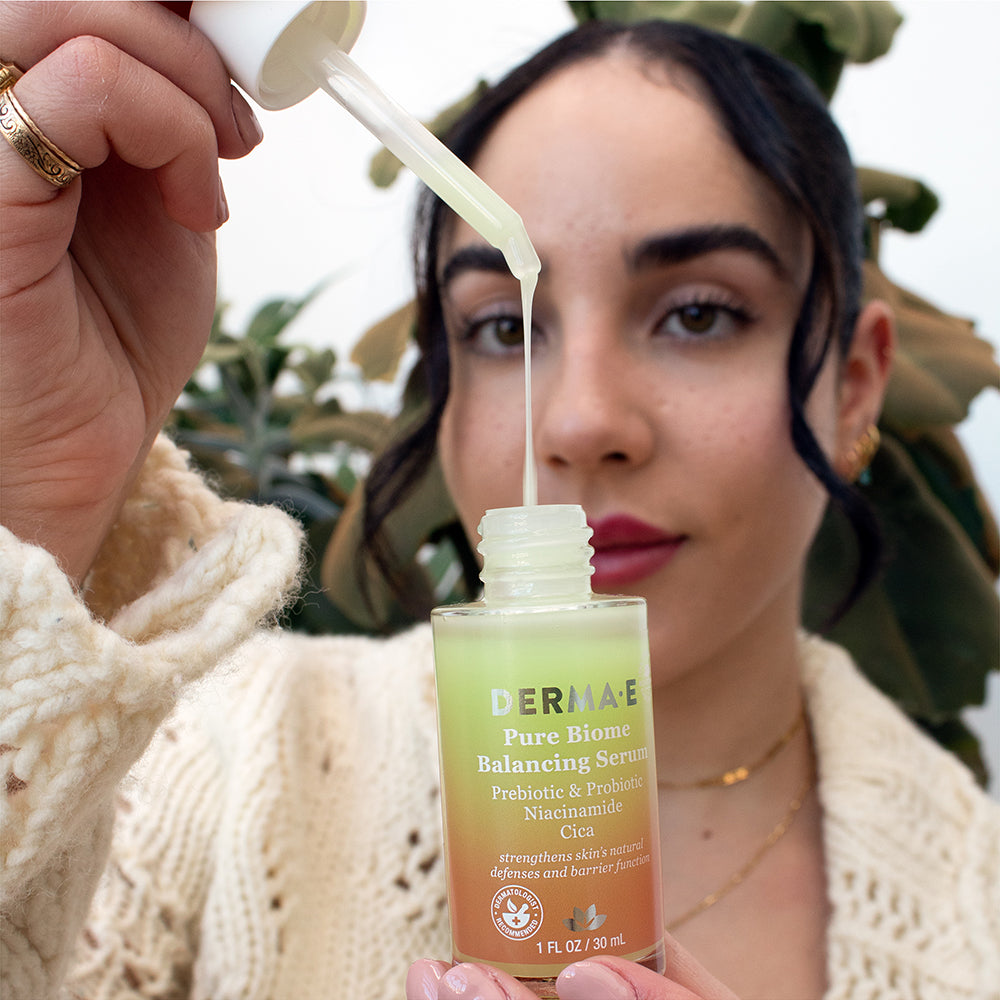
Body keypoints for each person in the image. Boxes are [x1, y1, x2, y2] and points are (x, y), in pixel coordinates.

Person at [0, 5, 996, 1000]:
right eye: (503, 332)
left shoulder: (977, 910)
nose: (578, 420)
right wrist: (38, 491)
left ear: (855, 384)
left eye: (699, 313)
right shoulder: (196, 766)